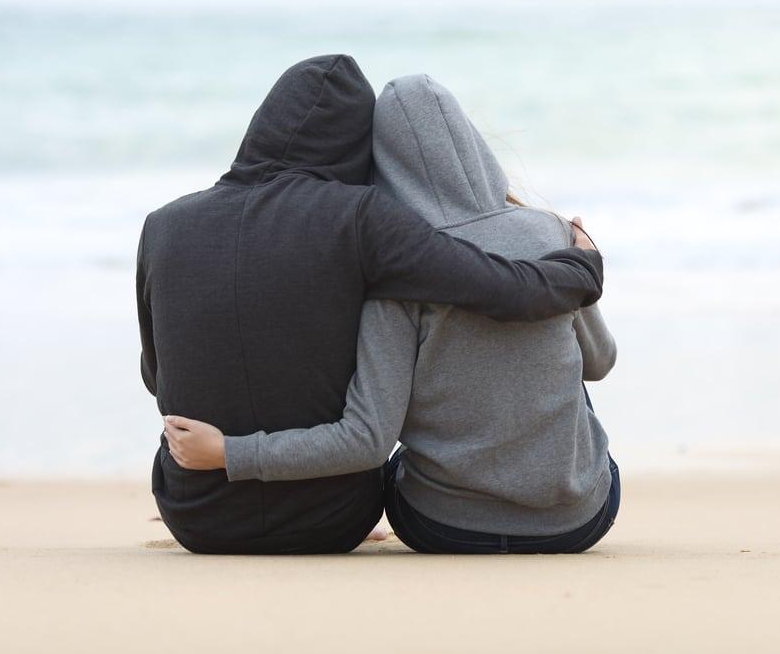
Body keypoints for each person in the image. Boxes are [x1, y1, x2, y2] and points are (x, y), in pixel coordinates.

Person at [138, 56, 603, 555]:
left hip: (194, 512)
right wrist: (583, 266)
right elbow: (505, 290)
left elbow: (155, 376)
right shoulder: (358, 218)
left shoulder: (162, 225)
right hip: (333, 517)